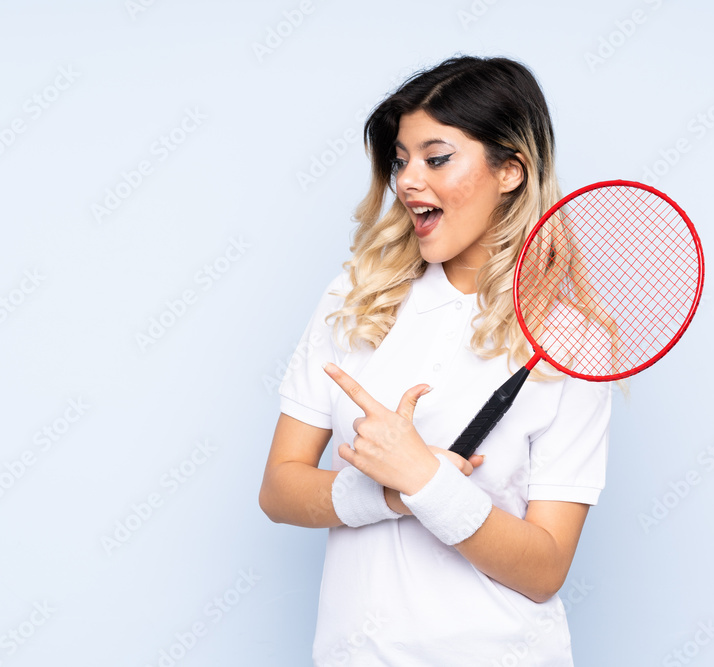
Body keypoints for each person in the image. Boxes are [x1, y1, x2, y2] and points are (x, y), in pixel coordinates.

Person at [259, 55, 611, 666]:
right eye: (401, 160)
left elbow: (546, 568)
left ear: (511, 170)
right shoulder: (357, 300)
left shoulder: (568, 339)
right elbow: (279, 490)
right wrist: (394, 493)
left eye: (437, 158)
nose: (408, 181)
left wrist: (426, 479)